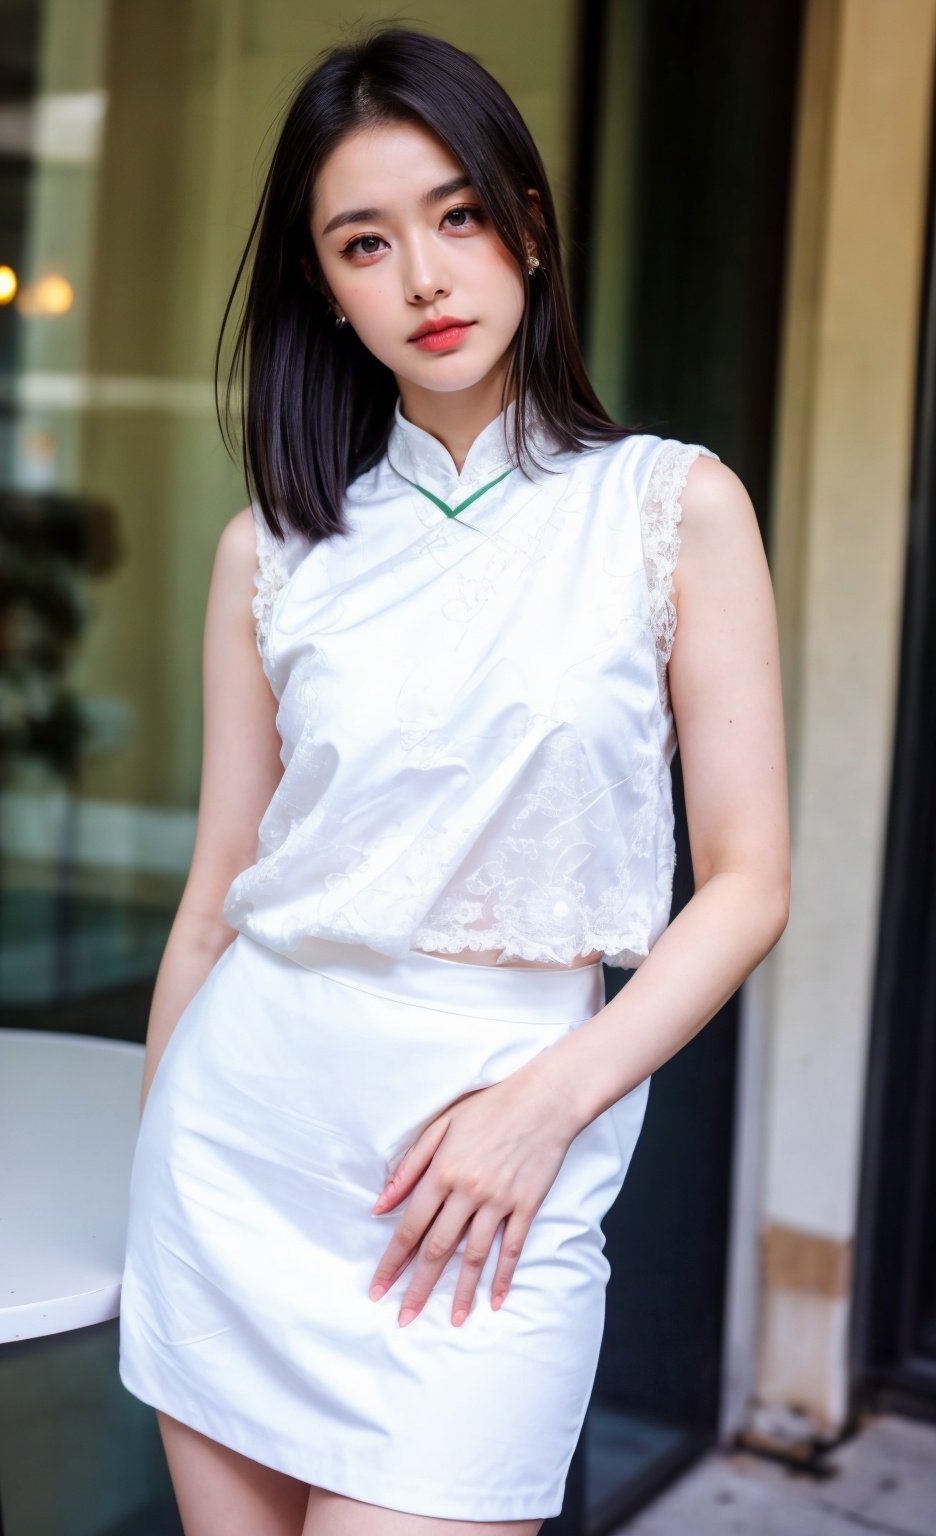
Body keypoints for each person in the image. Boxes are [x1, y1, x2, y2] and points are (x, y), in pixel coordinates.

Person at [117, 22, 789, 1536]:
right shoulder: (272, 554)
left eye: (458, 215)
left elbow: (747, 884)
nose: (423, 276)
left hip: (505, 1180)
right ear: (327, 292)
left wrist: (544, 1107)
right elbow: (219, 895)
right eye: (366, 242)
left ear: (528, 230)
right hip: (241, 1164)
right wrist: (157, 1167)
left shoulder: (670, 508)